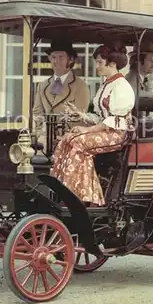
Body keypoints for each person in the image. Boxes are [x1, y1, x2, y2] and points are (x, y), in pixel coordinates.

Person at [51, 43, 135, 206]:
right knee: (67, 138)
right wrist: (81, 115)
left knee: (78, 142)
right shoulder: (107, 84)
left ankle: (84, 196)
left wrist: (87, 129)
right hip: (105, 131)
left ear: (112, 64)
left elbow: (114, 121)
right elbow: (101, 117)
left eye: (100, 62)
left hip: (117, 135)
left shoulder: (122, 87)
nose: (96, 66)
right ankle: (63, 189)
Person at [32, 38, 90, 146]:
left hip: (69, 140)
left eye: (61, 57)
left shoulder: (80, 86)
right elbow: (37, 114)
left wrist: (62, 137)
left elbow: (80, 118)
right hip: (44, 141)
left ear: (71, 60)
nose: (56, 61)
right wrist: (38, 135)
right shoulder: (42, 85)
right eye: (53, 57)